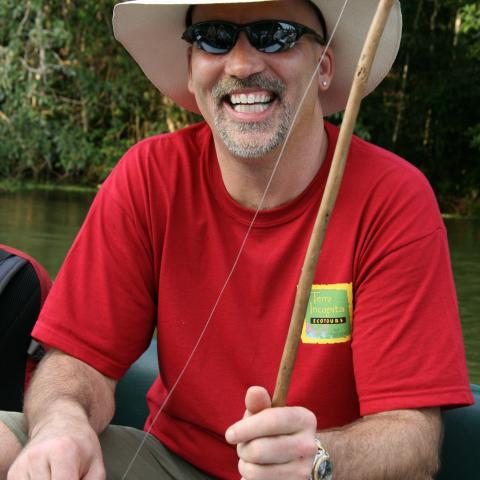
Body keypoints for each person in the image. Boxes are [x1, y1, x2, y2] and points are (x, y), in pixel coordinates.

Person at [0, 0, 473, 479]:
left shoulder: (393, 197)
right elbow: (78, 362)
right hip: (173, 463)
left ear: (324, 66)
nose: (243, 64)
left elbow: (413, 438)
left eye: (275, 35)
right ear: (191, 68)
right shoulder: (148, 176)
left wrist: (317, 460)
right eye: (214, 38)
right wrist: (63, 423)